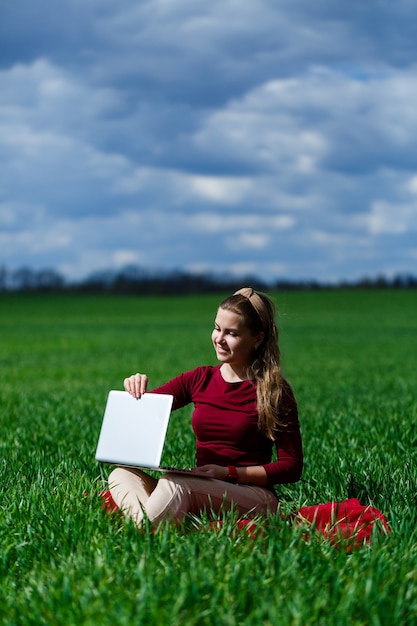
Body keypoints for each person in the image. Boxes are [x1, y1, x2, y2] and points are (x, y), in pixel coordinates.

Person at [108, 287, 303, 529]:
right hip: (199, 487)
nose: (219, 339)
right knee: (122, 474)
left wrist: (228, 473)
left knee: (175, 484)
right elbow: (144, 411)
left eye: (231, 333)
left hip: (253, 496)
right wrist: (135, 389)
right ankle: (148, 527)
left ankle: (144, 530)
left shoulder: (275, 391)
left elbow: (291, 466)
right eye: (217, 328)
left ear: (258, 338)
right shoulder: (200, 379)